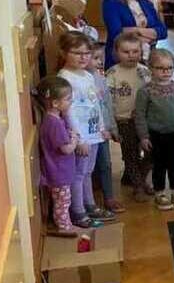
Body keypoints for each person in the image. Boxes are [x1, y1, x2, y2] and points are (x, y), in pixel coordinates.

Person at [58, 32, 116, 228]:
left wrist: (102, 127)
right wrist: (79, 139)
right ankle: (78, 211)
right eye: (77, 53)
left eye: (87, 53)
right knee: (78, 173)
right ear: (64, 53)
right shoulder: (65, 79)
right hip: (81, 136)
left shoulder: (88, 76)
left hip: (94, 133)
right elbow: (68, 112)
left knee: (88, 172)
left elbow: (95, 104)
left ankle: (89, 204)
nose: (84, 57)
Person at [135, 49, 174, 211]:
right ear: (150, 68)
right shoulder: (145, 91)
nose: (166, 71)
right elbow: (140, 115)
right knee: (159, 164)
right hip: (156, 134)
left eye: (170, 68)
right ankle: (159, 192)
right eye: (161, 68)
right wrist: (144, 136)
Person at [106, 32, 152, 202]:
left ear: (141, 52)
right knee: (130, 154)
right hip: (124, 121)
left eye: (135, 51)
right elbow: (108, 102)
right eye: (126, 51)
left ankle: (136, 177)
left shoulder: (145, 72)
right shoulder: (112, 74)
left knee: (150, 153)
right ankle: (138, 185)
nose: (131, 55)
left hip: (145, 120)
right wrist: (112, 126)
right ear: (116, 52)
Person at [36, 76, 79, 235]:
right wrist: (74, 141)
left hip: (58, 170)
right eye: (68, 99)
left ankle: (64, 224)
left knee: (62, 200)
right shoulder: (54, 123)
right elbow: (66, 149)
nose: (70, 102)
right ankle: (63, 226)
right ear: (55, 103)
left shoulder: (54, 119)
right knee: (63, 201)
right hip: (58, 171)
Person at [89, 41, 126, 214]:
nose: (99, 61)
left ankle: (108, 197)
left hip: (103, 131)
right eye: (95, 57)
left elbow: (107, 105)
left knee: (105, 163)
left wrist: (113, 128)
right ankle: (89, 201)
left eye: (101, 57)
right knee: (87, 168)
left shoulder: (100, 78)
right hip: (87, 133)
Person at [102, 0, 167, 69]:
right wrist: (150, 35)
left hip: (149, 59)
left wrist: (138, 31)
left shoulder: (147, 3)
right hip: (121, 60)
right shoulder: (110, 3)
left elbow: (163, 31)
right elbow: (116, 33)